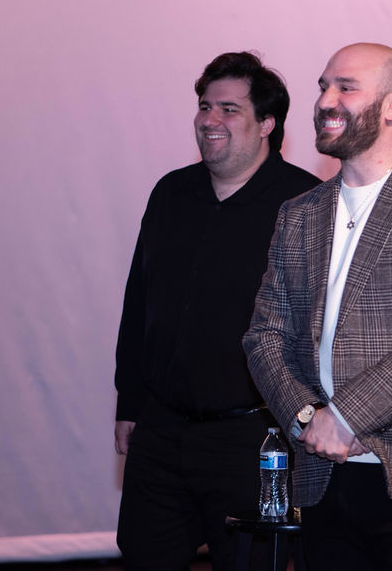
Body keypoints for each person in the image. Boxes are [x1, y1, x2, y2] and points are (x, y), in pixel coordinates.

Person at [243, 43, 392, 570]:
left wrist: (345, 418)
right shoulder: (299, 213)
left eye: (346, 87)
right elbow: (264, 336)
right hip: (322, 475)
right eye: (323, 87)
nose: (324, 100)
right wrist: (308, 419)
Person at [114, 51, 320, 571]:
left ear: (267, 123)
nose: (210, 120)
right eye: (205, 106)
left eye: (229, 109)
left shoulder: (305, 203)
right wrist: (129, 401)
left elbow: (323, 327)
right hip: (160, 432)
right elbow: (140, 301)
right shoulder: (171, 193)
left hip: (256, 439)